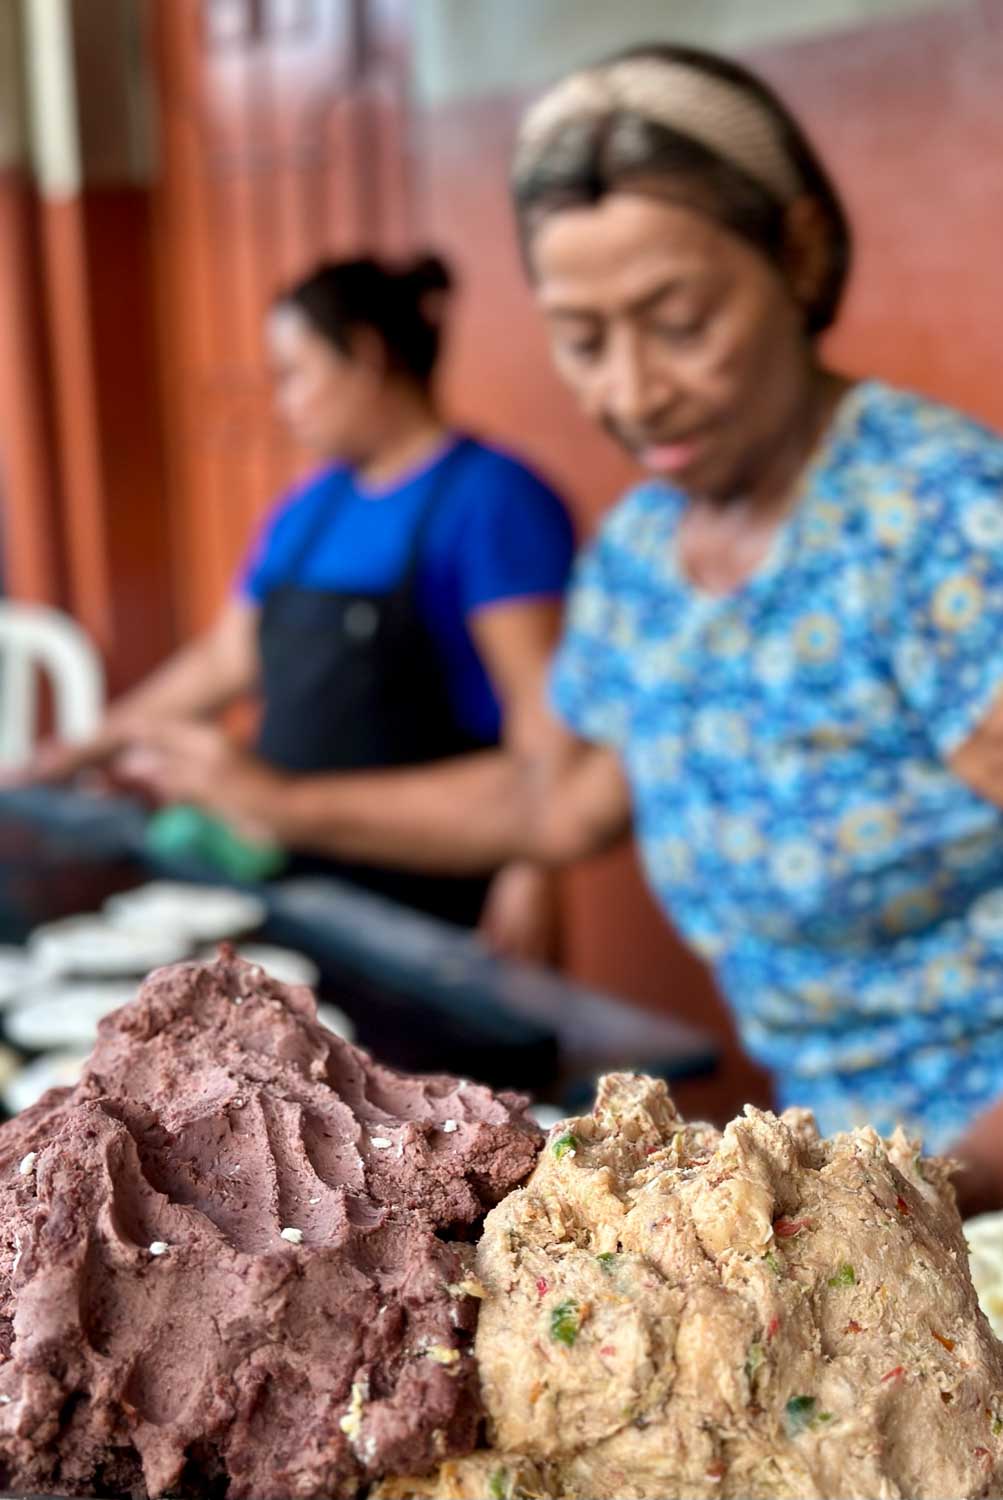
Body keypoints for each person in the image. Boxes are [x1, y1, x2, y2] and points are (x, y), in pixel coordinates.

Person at [131, 46, 1003, 1207]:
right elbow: (559, 798)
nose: (633, 394)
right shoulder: (645, 554)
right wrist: (272, 801)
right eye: (584, 341)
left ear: (795, 255)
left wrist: (939, 1186)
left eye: (679, 322)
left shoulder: (939, 523)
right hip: (844, 1164)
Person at [30, 254, 574, 955]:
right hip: (293, 887)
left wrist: (530, 879)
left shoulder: (492, 501)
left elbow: (546, 733)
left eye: (294, 374)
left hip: (428, 906)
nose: (283, 404)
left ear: (368, 356)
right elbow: (226, 658)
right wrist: (85, 749)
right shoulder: (308, 511)